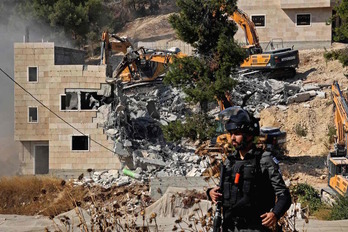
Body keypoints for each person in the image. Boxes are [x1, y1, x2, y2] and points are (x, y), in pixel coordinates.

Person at [207, 107, 291, 232]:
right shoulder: (229, 161)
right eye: (231, 134)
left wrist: (275, 214)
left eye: (237, 133)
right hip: (229, 227)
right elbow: (223, 191)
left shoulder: (264, 160)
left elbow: (284, 195)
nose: (232, 138)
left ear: (249, 134)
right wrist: (210, 193)